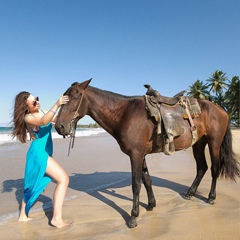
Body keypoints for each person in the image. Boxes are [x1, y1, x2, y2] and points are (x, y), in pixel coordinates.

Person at [11, 91, 70, 228]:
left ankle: (22, 216)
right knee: (64, 179)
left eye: (37, 99)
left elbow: (57, 119)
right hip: (39, 153)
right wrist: (56, 103)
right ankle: (56, 219)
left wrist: (67, 108)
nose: (37, 102)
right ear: (26, 108)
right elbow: (44, 121)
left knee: (31, 185)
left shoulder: (43, 111)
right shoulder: (28, 118)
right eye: (33, 102)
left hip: (45, 151)